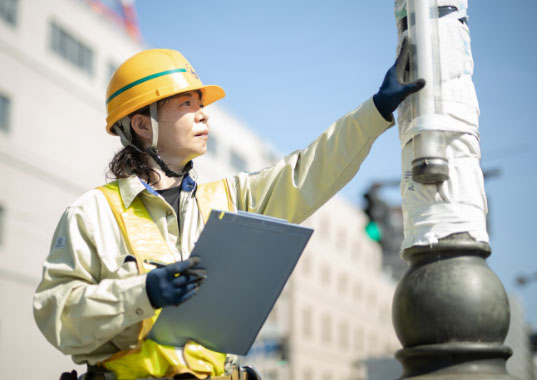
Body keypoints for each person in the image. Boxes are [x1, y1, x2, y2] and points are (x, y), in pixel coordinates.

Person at [33, 46, 424, 380]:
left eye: (201, 105)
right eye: (186, 104)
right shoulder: (94, 213)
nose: (204, 115)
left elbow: (308, 172)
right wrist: (144, 293)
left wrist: (376, 111)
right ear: (142, 125)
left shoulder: (229, 199)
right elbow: (59, 318)